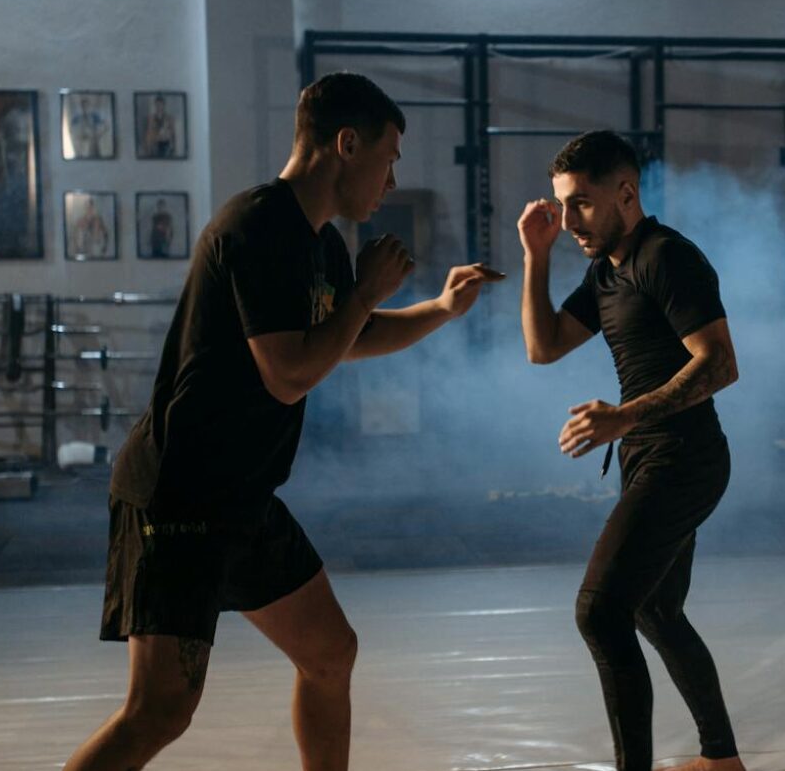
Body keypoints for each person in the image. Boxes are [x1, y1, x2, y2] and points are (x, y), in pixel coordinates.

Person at [64, 71, 499, 771]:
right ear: (346, 144)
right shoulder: (258, 226)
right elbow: (291, 373)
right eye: (388, 160)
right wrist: (362, 294)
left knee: (331, 654)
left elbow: (343, 340)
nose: (390, 182)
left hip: (240, 496)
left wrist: (439, 311)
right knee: (161, 711)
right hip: (180, 494)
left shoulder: (320, 243)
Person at [517, 131, 747, 771]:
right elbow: (544, 346)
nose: (568, 222)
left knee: (600, 611)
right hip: (650, 456)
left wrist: (624, 416)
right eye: (562, 206)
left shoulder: (666, 257)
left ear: (626, 193)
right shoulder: (605, 272)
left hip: (686, 457)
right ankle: (721, 761)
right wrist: (536, 257)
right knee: (655, 608)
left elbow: (721, 364)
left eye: (582, 204)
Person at [144, 94, 178, 158]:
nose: (159, 106)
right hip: (155, 144)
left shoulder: (169, 118)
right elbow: (148, 132)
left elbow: (172, 133)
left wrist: (173, 146)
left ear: (164, 105)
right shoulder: (151, 118)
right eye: (157, 105)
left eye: (161, 104)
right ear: (155, 105)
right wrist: (148, 146)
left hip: (166, 143)